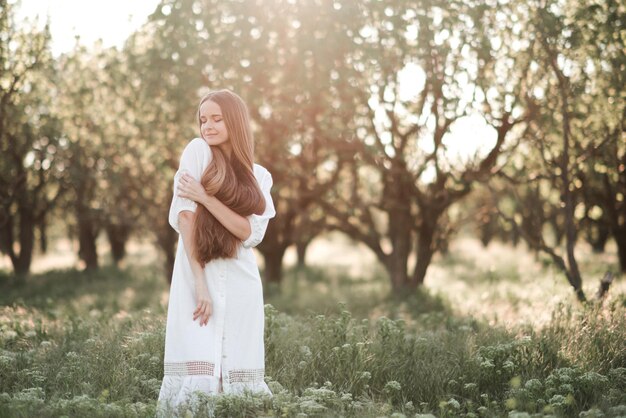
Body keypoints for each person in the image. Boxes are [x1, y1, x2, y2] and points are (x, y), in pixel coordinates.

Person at [156, 89, 276, 415]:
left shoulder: (259, 176)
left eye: (216, 119)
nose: (207, 126)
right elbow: (186, 218)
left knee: (237, 361)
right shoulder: (197, 152)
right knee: (199, 362)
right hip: (198, 272)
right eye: (202, 119)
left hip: (240, 280)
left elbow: (249, 233)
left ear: (234, 122)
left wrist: (207, 198)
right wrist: (199, 282)